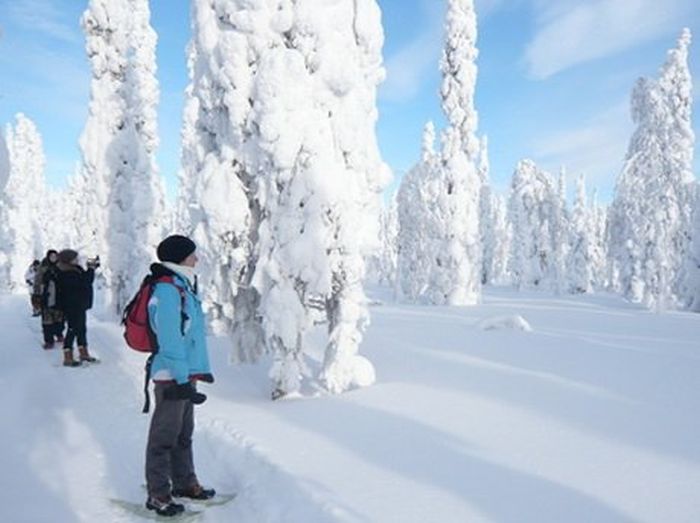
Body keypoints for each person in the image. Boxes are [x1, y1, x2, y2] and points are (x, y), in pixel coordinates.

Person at [144, 235, 215, 517]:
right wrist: (183, 378)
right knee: (164, 438)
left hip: (185, 374)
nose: (196, 259)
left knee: (183, 435)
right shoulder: (166, 291)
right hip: (171, 376)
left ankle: (184, 484)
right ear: (178, 257)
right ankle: (158, 495)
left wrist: (195, 374)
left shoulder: (181, 285)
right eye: (191, 255)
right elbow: (170, 340)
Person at [55, 249, 99, 366]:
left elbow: (85, 279)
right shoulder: (67, 272)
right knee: (73, 329)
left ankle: (83, 352)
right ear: (69, 260)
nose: (78, 260)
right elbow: (85, 282)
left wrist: (91, 269)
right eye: (75, 258)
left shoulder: (74, 269)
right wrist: (91, 269)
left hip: (79, 304)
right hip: (72, 305)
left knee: (81, 329)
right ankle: (67, 355)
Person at [34, 250, 65, 348]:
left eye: (55, 256)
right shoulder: (43, 267)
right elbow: (37, 281)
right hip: (46, 297)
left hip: (59, 297)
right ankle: (49, 340)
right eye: (51, 256)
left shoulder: (61, 267)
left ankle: (59, 334)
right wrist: (37, 295)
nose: (53, 258)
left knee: (59, 319)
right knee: (47, 321)